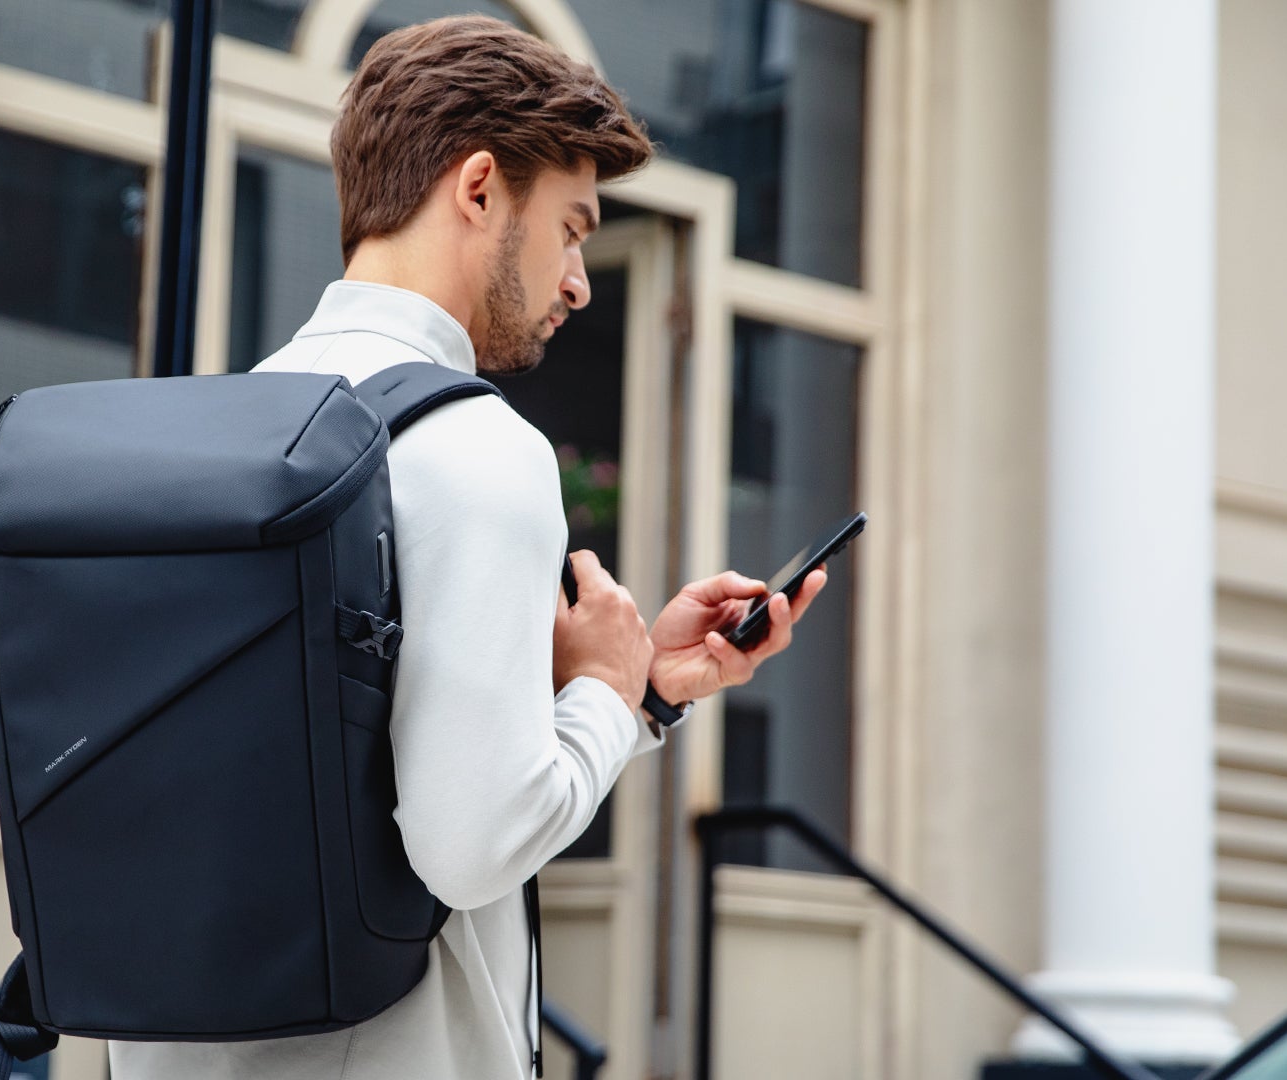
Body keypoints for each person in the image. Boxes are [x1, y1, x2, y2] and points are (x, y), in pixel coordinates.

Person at [109, 15, 825, 1080]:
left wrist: (637, 694)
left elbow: (343, 764)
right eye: (574, 228)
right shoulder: (480, 446)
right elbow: (474, 842)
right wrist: (605, 696)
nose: (580, 279)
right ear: (480, 187)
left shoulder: (221, 428)